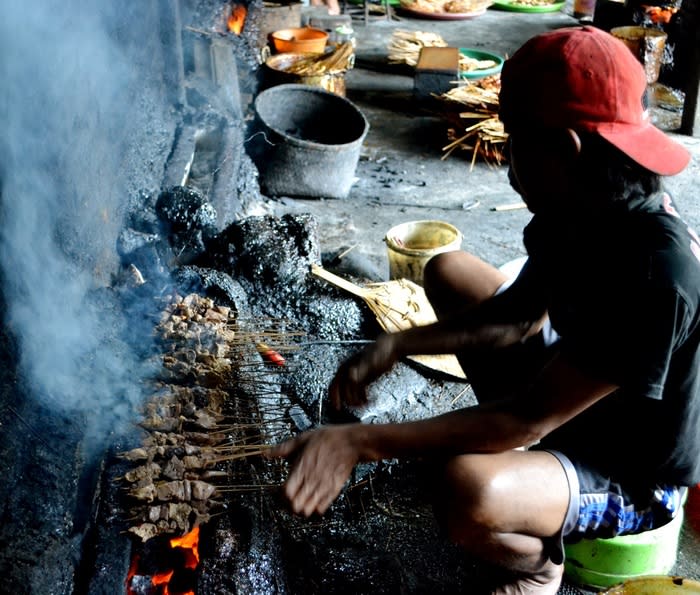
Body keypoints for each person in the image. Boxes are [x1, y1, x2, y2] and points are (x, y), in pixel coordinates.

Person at [268, 25, 698, 594]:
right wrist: (398, 344)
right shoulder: (580, 200)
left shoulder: (654, 273)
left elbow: (526, 419)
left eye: (514, 139)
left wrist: (359, 441)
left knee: (469, 489)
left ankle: (540, 568)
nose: (508, 162)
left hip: (632, 468)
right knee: (449, 271)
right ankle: (523, 470)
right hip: (579, 390)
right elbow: (517, 318)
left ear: (565, 149)